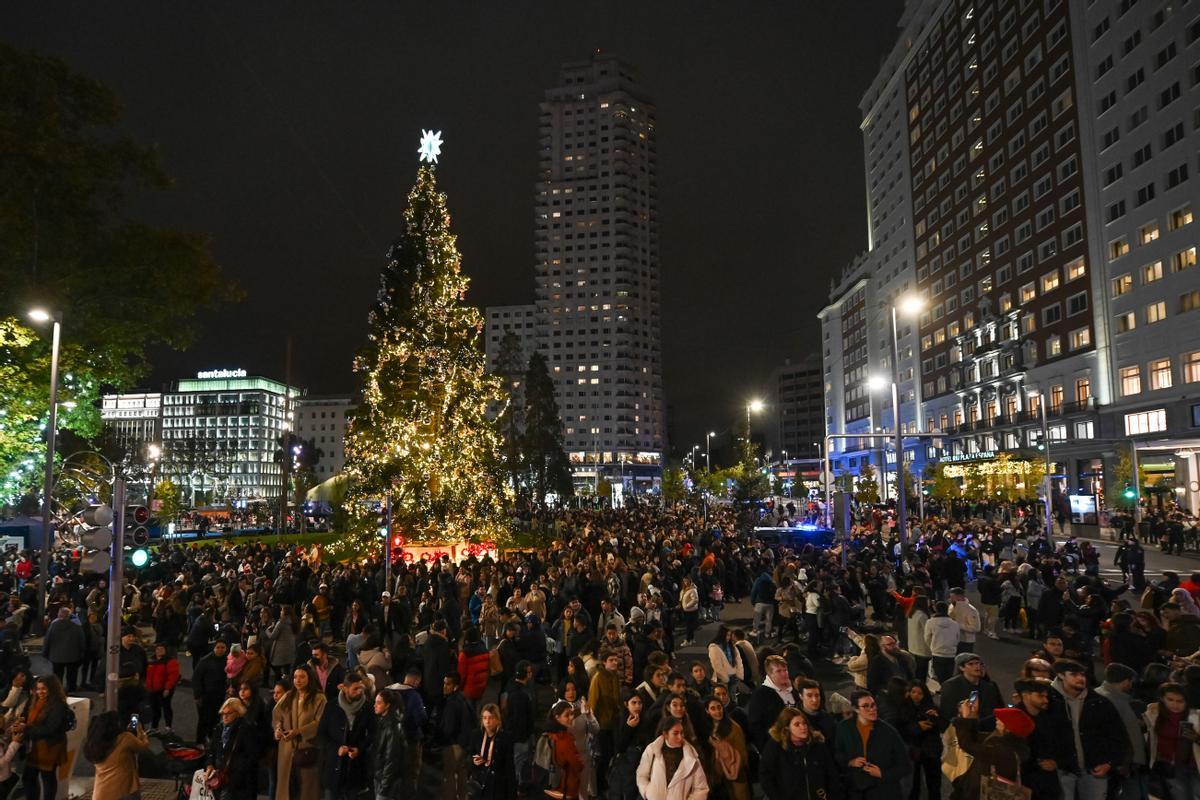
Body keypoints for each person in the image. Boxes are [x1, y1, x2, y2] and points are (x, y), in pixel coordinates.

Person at [1049, 659, 1128, 800]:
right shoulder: (1049, 700)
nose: (1080, 678)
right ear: (1061, 675)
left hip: (1093, 769)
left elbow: (1118, 735)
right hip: (1061, 769)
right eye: (1074, 674)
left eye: (1083, 674)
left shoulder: (1099, 702)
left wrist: (1109, 763)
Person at [832, 690, 912, 799]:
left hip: (884, 792)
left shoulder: (889, 732)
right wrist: (850, 762)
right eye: (865, 706)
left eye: (873, 705)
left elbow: (905, 766)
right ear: (856, 709)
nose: (872, 709)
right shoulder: (844, 728)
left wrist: (882, 774)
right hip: (855, 791)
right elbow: (838, 754)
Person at [951, 702, 1032, 800]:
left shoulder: (1002, 750)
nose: (997, 719)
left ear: (1009, 728)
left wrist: (965, 717)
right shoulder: (1005, 743)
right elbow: (976, 739)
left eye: (1002, 719)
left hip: (982, 794)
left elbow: (968, 745)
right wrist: (972, 718)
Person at [316, 671, 377, 800]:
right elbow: (321, 735)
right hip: (333, 769)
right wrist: (336, 748)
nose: (359, 692)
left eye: (361, 688)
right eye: (355, 689)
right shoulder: (332, 707)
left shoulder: (367, 707)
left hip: (355, 771)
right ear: (344, 688)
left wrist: (359, 749)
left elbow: (374, 734)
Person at [759, 707, 840, 800]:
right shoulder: (775, 746)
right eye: (797, 724)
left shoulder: (817, 745)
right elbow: (766, 777)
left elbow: (832, 774)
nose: (803, 727)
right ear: (787, 727)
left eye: (804, 723)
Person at [273, 665, 327, 800]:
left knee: (306, 789)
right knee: (286, 789)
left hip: (307, 749)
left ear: (310, 678)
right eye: (296, 677)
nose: (298, 680)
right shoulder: (288, 696)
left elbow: (320, 722)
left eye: (302, 677)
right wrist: (278, 728)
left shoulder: (319, 698)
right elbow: (277, 716)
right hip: (286, 750)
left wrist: (299, 731)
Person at [14, 675, 71, 800]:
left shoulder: (58, 705)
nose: (40, 692)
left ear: (52, 688)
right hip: (34, 747)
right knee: (29, 777)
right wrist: (22, 719)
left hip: (50, 746)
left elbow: (51, 729)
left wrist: (26, 728)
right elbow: (25, 713)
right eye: (38, 689)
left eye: (44, 689)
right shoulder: (33, 699)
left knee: (47, 778)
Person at [1145, 682, 1200, 800]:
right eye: (1170, 700)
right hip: (1166, 766)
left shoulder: (1195, 716)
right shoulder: (1154, 714)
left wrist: (1196, 737)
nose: (1175, 705)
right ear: (1162, 698)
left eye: (1180, 701)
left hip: (1192, 766)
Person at [635, 715, 710, 800]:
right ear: (665, 734)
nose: (680, 737)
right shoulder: (652, 750)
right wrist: (647, 792)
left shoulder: (691, 757)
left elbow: (701, 788)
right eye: (675, 733)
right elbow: (641, 775)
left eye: (682, 732)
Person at [84, 710, 150, 800]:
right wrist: (141, 732)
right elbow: (143, 748)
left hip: (101, 793)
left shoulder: (95, 744)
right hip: (125, 791)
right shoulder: (125, 738)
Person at [206, 697, 260, 800]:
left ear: (238, 713)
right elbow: (212, 751)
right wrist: (209, 765)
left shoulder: (246, 729)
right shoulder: (219, 728)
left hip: (237, 783)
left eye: (228, 713)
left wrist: (235, 775)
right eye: (223, 713)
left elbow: (252, 757)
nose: (224, 717)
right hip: (219, 779)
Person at [897, 681, 942, 800]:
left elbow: (942, 727)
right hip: (914, 750)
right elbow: (902, 728)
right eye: (913, 692)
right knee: (914, 784)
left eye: (920, 693)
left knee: (934, 783)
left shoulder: (932, 707)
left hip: (931, 751)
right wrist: (917, 727)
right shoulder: (903, 708)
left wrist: (935, 718)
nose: (916, 695)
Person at [704, 694, 750, 800]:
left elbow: (742, 755)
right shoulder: (707, 728)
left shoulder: (734, 728)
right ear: (707, 711)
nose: (717, 711)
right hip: (717, 777)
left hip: (735, 775)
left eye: (719, 707)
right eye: (713, 708)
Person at [466, 703, 516, 800]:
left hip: (497, 786)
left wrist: (512, 794)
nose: (487, 722)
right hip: (480, 784)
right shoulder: (476, 735)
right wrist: (473, 761)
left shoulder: (505, 738)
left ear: (498, 720)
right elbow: (468, 757)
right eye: (484, 718)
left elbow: (509, 768)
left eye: (491, 718)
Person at [440, 671, 477, 800]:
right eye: (444, 683)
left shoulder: (451, 702)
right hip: (464, 745)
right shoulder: (465, 698)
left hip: (453, 745)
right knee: (462, 777)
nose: (444, 687)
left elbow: (448, 728)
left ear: (455, 686)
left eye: (448, 684)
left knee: (449, 778)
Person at [610, 693, 655, 800]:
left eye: (640, 703)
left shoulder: (647, 720)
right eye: (633, 703)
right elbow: (619, 746)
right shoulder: (619, 719)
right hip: (625, 767)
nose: (637, 706)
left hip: (643, 764)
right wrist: (628, 728)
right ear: (626, 704)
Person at [747, 655, 797, 750]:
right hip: (775, 747)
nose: (784, 673)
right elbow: (755, 726)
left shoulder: (793, 690)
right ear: (770, 674)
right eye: (778, 671)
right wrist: (767, 748)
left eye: (785, 670)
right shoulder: (760, 695)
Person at [546, 700, 586, 800]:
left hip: (556, 783)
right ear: (557, 718)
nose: (571, 718)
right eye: (567, 715)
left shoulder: (550, 734)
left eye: (572, 714)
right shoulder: (564, 739)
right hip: (567, 787)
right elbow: (577, 764)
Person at [372, 688, 408, 800]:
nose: (374, 705)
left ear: (387, 705)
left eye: (378, 703)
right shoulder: (383, 721)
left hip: (387, 783)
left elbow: (391, 759)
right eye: (375, 702)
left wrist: (384, 787)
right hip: (380, 778)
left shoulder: (392, 727)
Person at [194, 639, 231, 745]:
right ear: (214, 648)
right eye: (218, 647)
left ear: (226, 649)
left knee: (215, 719)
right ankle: (199, 742)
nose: (220, 649)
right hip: (205, 696)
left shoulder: (228, 661)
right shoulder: (205, 661)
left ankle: (211, 739)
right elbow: (196, 679)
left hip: (219, 695)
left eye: (222, 647)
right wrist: (197, 695)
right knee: (203, 720)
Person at [42, 606, 85, 693]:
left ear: (59, 615)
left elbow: (47, 640)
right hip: (73, 656)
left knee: (57, 675)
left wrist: (45, 653)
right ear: (69, 616)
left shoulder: (53, 626)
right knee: (72, 675)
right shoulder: (76, 627)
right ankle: (71, 689)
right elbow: (82, 641)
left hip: (56, 656)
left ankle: (58, 690)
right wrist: (82, 654)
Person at [145, 642, 181, 734]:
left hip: (164, 690)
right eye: (158, 649)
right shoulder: (151, 660)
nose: (159, 651)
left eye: (162, 649)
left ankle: (168, 727)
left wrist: (167, 688)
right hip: (152, 690)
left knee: (166, 707)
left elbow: (173, 676)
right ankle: (154, 727)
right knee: (154, 708)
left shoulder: (170, 661)